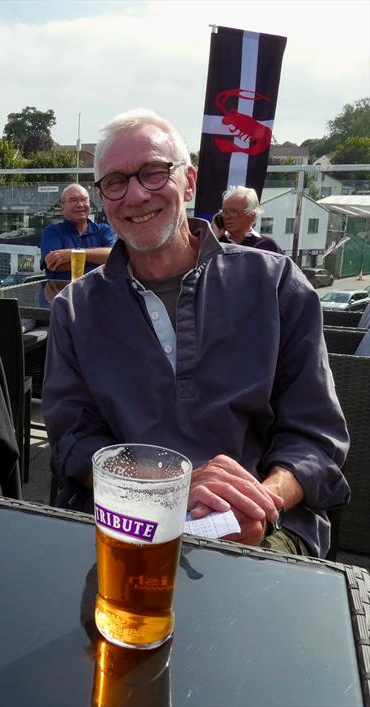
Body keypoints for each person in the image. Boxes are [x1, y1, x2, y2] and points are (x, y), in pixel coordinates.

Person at [42, 108, 349, 558]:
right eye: (115, 182)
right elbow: (72, 441)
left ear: (188, 182)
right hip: (128, 518)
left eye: (153, 172)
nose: (135, 195)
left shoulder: (274, 283)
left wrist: (259, 503)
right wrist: (171, 489)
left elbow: (316, 437)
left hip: (262, 525)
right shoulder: (76, 308)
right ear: (104, 198)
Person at [40, 183, 116, 280]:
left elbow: (113, 257)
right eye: (73, 200)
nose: (80, 205)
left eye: (84, 200)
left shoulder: (103, 230)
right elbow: (54, 264)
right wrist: (99, 259)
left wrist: (72, 254)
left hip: (97, 292)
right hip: (62, 292)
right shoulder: (53, 231)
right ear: (62, 208)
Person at [212, 185, 284, 253]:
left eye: (233, 211)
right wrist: (214, 237)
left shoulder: (267, 246)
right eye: (224, 212)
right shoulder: (215, 243)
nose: (227, 216)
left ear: (252, 215)